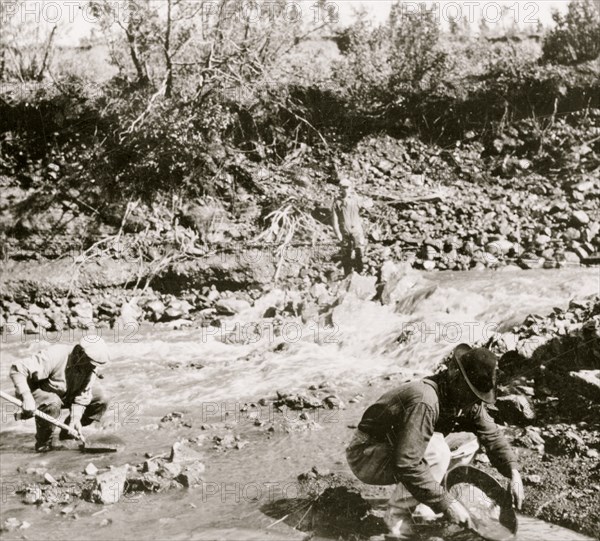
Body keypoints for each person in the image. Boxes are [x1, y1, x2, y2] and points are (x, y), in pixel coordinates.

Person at [346, 344, 524, 539]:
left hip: (396, 449)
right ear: (455, 375)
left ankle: (424, 505)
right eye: (471, 393)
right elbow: (406, 462)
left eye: (477, 396)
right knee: (437, 451)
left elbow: (492, 435)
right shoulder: (426, 400)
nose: (474, 402)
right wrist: (447, 502)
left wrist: (513, 471)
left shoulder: (465, 398)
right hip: (366, 455)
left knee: (468, 442)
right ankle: (396, 518)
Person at [10, 336, 110, 452]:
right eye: (90, 363)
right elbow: (17, 369)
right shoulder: (55, 354)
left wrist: (75, 419)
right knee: (53, 402)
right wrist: (26, 396)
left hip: (65, 395)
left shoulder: (91, 367)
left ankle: (67, 433)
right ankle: (43, 444)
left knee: (102, 399)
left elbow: (82, 396)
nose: (92, 367)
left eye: (95, 365)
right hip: (37, 392)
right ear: (79, 352)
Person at [332, 178, 366, 275]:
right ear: (340, 188)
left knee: (359, 251)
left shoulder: (356, 199)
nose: (345, 189)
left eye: (347, 187)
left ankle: (360, 271)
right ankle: (347, 274)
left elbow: (366, 206)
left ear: (351, 187)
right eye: (343, 187)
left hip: (356, 230)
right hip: (344, 231)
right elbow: (334, 220)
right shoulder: (337, 202)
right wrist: (337, 233)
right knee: (346, 253)